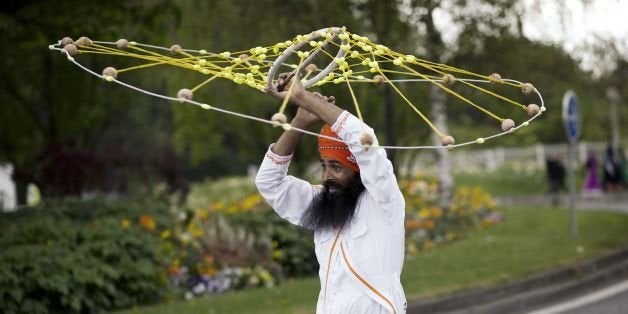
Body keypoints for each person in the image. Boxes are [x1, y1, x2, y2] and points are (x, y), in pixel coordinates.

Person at [255, 72, 407, 313]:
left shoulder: (383, 199)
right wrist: (301, 122)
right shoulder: (323, 202)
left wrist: (303, 95)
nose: (327, 176)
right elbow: (269, 183)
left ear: (358, 170)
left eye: (336, 167)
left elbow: (362, 139)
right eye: (324, 166)